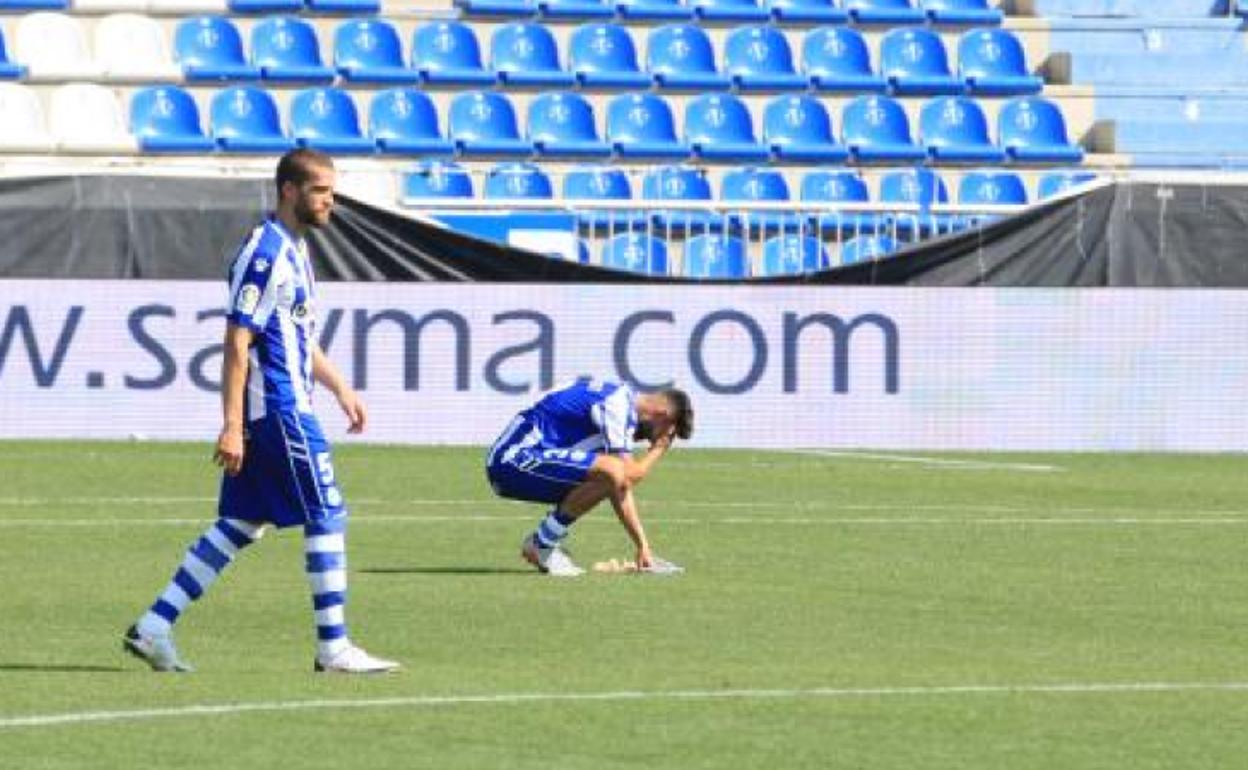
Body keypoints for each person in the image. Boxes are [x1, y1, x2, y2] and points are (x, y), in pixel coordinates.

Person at [122, 149, 398, 674]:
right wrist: (231, 426)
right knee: (327, 514)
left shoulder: (296, 250)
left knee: (242, 523)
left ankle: (155, 625)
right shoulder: (265, 252)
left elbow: (297, 335)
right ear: (290, 191)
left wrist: (341, 387)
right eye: (321, 191)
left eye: (333, 192)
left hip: (282, 406)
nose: (330, 202)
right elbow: (236, 341)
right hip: (279, 409)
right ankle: (333, 647)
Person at [485, 378, 693, 577]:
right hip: (513, 460)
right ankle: (541, 545)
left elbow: (619, 485)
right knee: (614, 469)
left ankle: (542, 543)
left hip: (519, 464)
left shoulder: (617, 405)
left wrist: (643, 547)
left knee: (611, 474)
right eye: (665, 432)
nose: (650, 439)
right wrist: (659, 448)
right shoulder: (617, 403)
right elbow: (628, 475)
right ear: (662, 414)